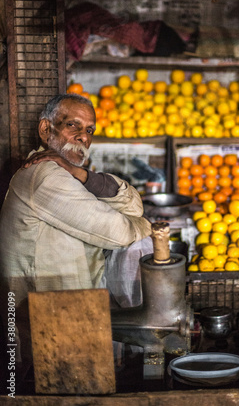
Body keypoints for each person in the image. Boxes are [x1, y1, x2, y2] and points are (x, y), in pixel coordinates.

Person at [0, 93, 151, 386]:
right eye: (73, 125)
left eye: (89, 130)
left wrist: (82, 174)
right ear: (46, 131)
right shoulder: (44, 176)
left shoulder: (64, 174)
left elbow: (132, 204)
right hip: (48, 325)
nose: (83, 137)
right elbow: (123, 231)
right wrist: (145, 227)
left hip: (66, 314)